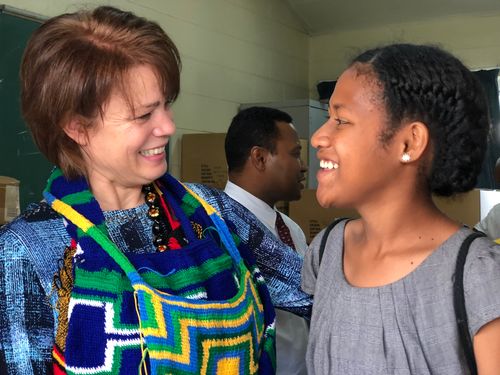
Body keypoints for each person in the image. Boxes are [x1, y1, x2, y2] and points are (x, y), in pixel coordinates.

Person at [0, 6, 276, 374]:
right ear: (76, 127)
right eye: (143, 115)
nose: (167, 126)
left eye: (166, 105)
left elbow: (315, 289)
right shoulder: (30, 251)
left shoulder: (211, 212)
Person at [301, 43, 500, 374]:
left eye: (341, 119)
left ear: (409, 143)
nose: (319, 137)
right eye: (327, 118)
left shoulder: (480, 276)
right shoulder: (326, 249)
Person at [222, 106, 309, 375]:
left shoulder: (290, 228)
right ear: (259, 158)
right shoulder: (218, 230)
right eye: (295, 154)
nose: (303, 167)